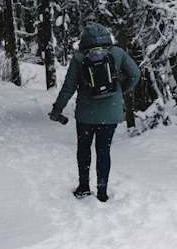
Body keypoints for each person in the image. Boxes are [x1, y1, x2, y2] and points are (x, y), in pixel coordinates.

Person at [48, 22, 141, 201]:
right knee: (103, 150)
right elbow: (135, 74)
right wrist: (121, 91)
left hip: (86, 114)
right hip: (111, 114)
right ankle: (102, 191)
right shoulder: (118, 53)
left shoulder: (79, 58)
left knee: (84, 148)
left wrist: (57, 110)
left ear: (84, 40)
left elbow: (68, 87)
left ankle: (84, 186)